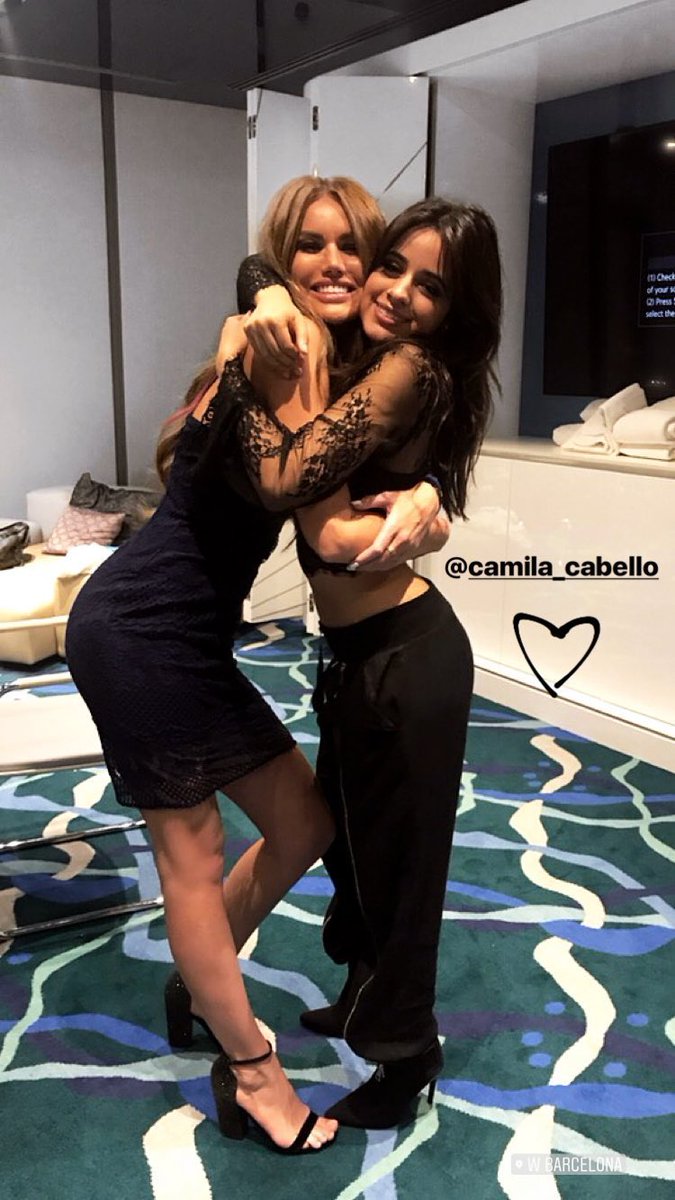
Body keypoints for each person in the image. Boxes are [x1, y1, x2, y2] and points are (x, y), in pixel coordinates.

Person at [65, 177, 445, 1155]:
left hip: (181, 632)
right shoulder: (283, 345)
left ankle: (204, 981)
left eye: (352, 246)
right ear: (283, 256)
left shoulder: (276, 334)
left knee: (305, 821)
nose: (334, 264)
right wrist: (423, 518)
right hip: (145, 630)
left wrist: (426, 490)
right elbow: (312, 512)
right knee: (190, 857)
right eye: (309, 245)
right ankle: (253, 1075)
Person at [211, 193, 502, 1128]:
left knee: (403, 869)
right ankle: (360, 995)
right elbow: (268, 272)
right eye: (394, 266)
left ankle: (406, 1057)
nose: (399, 291)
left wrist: (249, 379)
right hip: (357, 656)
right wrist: (263, 289)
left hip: (407, 660)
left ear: (453, 313)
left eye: (432, 287)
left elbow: (290, 480)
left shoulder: (410, 366)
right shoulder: (365, 358)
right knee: (356, 847)